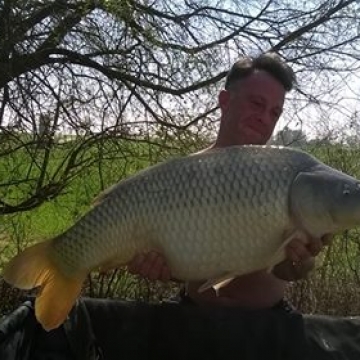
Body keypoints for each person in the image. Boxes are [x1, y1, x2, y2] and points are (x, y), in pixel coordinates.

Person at [127, 52, 332, 310]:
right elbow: (185, 263)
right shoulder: (185, 176)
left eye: (275, 112)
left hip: (267, 325)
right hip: (195, 316)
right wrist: (160, 267)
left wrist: (300, 261)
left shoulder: (287, 179)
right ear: (225, 101)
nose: (265, 118)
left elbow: (291, 271)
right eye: (257, 104)